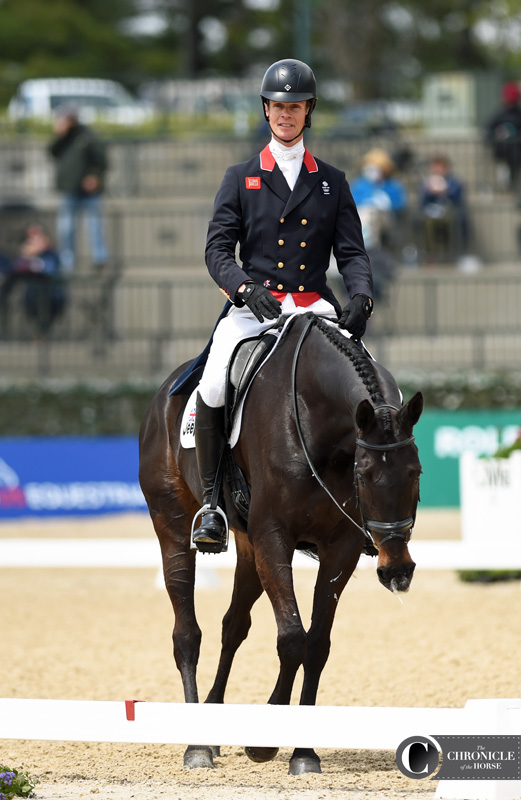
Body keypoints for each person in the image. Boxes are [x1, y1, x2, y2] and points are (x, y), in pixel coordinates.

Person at [187, 58, 374, 549]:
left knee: (372, 384)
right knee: (212, 383)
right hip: (256, 307)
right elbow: (217, 250)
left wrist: (362, 296)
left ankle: (367, 501)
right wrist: (244, 288)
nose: (285, 114)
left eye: (294, 106)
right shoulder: (241, 177)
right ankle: (211, 504)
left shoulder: (332, 180)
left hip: (315, 307)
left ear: (308, 110)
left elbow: (352, 252)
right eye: (277, 106)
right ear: (266, 110)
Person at [48, 105, 109, 274]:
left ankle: (99, 259)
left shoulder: (87, 136)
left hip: (89, 192)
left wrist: (94, 176)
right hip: (69, 190)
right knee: (66, 229)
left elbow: (101, 160)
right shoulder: (64, 138)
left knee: (94, 227)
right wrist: (59, 135)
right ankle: (68, 263)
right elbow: (52, 152)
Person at [0, 222, 66, 337]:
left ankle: (42, 332)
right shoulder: (24, 256)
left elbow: (50, 268)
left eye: (36, 235)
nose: (33, 240)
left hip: (52, 296)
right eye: (30, 237)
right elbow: (12, 268)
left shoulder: (51, 254)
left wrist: (34, 259)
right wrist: (25, 258)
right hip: (30, 297)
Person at [418, 155, 470, 262]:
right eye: (435, 167)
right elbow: (422, 202)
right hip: (431, 214)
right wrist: (430, 192)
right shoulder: (427, 182)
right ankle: (431, 255)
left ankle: (450, 255)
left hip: (450, 213)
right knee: (428, 224)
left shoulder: (454, 182)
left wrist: (446, 191)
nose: (437, 170)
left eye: (440, 167)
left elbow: (458, 199)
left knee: (450, 224)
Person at [485, 81, 521, 192]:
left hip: (517, 153)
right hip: (502, 152)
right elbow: (489, 130)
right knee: (503, 173)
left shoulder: (518, 114)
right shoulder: (499, 114)